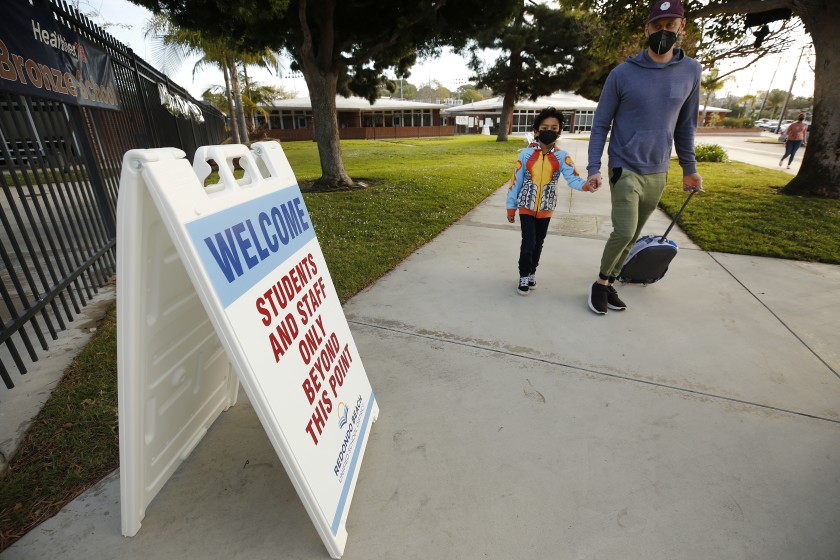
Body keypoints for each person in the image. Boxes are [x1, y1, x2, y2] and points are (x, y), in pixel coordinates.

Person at [584, 0, 703, 315]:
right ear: (647, 28)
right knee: (623, 231)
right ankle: (599, 283)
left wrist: (689, 169)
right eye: (658, 25)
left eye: (670, 25)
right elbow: (600, 125)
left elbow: (686, 125)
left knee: (634, 234)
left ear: (682, 27)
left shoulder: (691, 71)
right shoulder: (623, 74)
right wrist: (594, 167)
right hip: (625, 166)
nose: (663, 31)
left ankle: (609, 283)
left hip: (658, 170)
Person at [506, 107, 592, 295]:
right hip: (526, 206)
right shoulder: (526, 155)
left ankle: (532, 272)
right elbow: (515, 181)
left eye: (554, 128)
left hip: (546, 207)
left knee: (539, 242)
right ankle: (523, 275)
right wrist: (511, 207)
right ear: (536, 131)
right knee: (528, 242)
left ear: (559, 131)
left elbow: (573, 178)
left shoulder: (562, 157)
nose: (549, 131)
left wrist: (586, 185)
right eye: (545, 127)